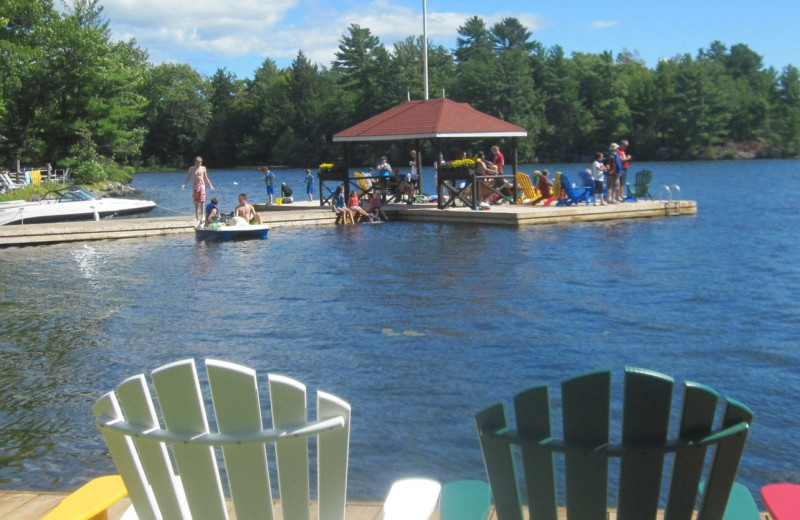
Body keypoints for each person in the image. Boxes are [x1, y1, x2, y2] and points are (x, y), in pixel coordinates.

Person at [181, 156, 215, 220]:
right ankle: (196, 216)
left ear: (201, 163)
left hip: (202, 185)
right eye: (197, 163)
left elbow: (206, 177)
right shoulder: (191, 168)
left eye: (199, 163)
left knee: (202, 200)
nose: (198, 164)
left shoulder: (203, 168)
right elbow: (188, 177)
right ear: (195, 162)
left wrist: (210, 185)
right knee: (196, 201)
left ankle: (202, 215)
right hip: (195, 185)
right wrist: (184, 184)